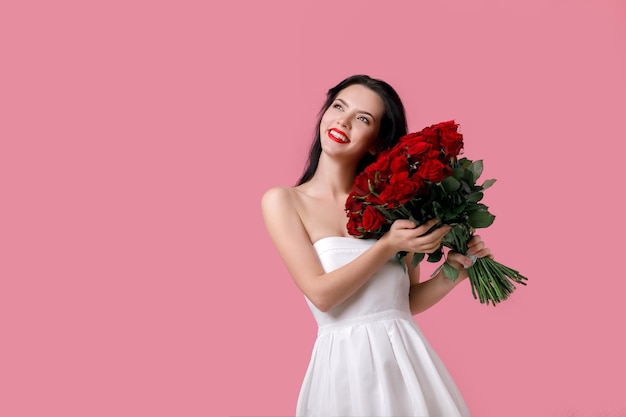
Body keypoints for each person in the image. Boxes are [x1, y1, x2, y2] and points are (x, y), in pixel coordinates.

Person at [261, 74, 492, 417]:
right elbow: (321, 296)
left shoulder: (395, 203)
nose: (344, 120)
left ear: (375, 143)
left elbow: (402, 302)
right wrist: (386, 246)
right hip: (344, 370)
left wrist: (454, 274)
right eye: (339, 106)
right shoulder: (284, 201)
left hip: (407, 363)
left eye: (363, 119)